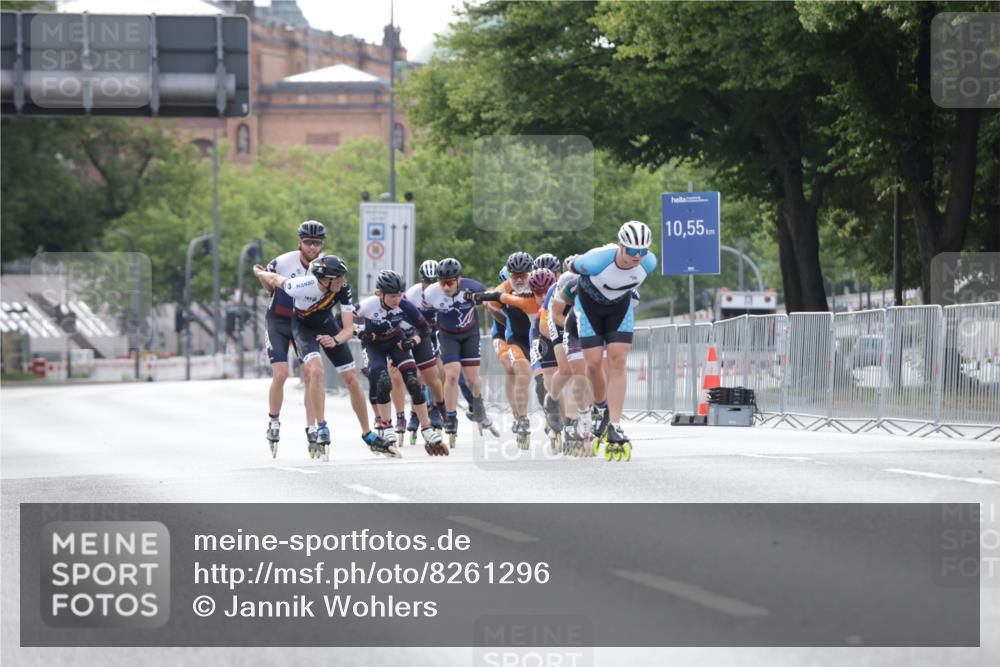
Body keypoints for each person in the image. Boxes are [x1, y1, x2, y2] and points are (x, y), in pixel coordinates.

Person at [253, 255, 398, 459]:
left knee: (352, 381)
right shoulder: (301, 285)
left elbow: (348, 328)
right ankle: (321, 426)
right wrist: (259, 272)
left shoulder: (343, 289)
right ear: (323, 279)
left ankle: (368, 434)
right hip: (302, 329)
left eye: (342, 278)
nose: (342, 282)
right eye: (337, 279)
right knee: (316, 371)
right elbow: (276, 280)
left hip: (328, 327)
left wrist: (336, 340)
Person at [571, 221, 657, 454]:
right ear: (621, 246)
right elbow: (570, 264)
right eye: (632, 250)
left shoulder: (649, 263)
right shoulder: (596, 261)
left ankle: (615, 423)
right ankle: (600, 406)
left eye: (643, 251)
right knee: (593, 364)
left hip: (620, 308)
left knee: (618, 362)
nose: (637, 256)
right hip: (589, 308)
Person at [355, 270, 447, 456]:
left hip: (396, 342)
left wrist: (412, 342)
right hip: (374, 347)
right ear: (379, 293)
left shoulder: (404, 305)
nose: (396, 300)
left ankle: (427, 430)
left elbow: (425, 329)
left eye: (399, 295)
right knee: (383, 382)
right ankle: (387, 428)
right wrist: (361, 331)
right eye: (392, 296)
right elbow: (340, 320)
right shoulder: (368, 305)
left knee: (413, 382)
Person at [256, 220, 325, 454]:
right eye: (308, 242)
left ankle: (312, 427)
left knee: (310, 374)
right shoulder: (285, 260)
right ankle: (274, 421)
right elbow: (261, 271)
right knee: (281, 374)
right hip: (277, 321)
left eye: (317, 243)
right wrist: (270, 289)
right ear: (300, 242)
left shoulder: (323, 266)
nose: (312, 248)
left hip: (303, 323)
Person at [472, 265, 556, 445]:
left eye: (523, 276)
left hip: (536, 339)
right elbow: (495, 300)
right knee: (518, 370)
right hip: (512, 337)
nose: (541, 298)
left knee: (543, 382)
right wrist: (481, 299)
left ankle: (553, 415)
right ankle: (521, 417)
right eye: (514, 277)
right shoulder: (514, 294)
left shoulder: (539, 295)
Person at [420, 257, 490, 445]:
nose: (446, 286)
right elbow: (423, 316)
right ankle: (451, 417)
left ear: (459, 279)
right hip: (447, 335)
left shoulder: (473, 287)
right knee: (451, 374)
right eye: (442, 282)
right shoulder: (431, 293)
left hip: (470, 334)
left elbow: (491, 303)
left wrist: (483, 300)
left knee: (472, 379)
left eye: (450, 282)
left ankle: (478, 403)